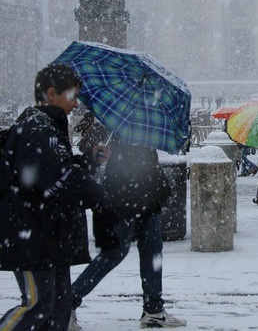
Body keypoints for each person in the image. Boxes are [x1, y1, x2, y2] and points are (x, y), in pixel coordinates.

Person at [0, 63, 112, 330]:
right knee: (38, 304)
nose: (76, 104)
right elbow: (54, 178)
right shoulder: (37, 126)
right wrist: (96, 195)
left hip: (48, 234)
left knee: (58, 308)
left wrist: (86, 161)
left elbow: (55, 169)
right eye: (73, 96)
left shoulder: (48, 125)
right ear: (52, 93)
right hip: (30, 232)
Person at [70, 139, 186, 329]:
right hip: (126, 200)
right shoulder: (128, 129)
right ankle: (68, 300)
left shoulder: (143, 129)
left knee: (153, 253)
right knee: (114, 254)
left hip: (147, 198)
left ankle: (153, 309)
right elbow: (123, 169)